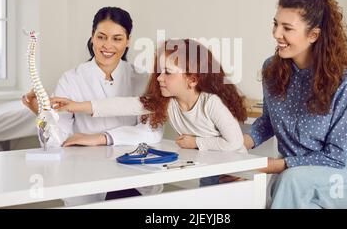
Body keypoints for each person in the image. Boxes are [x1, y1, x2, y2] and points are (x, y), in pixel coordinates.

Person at [51, 39, 248, 186]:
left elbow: (234, 142)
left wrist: (195, 143)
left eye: (168, 73)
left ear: (192, 79)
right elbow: (122, 105)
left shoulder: (211, 104)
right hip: (210, 168)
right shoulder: (168, 102)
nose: (160, 78)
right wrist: (75, 106)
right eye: (159, 71)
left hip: (237, 171)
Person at [243, 0, 347, 208]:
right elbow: (268, 122)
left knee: (290, 181)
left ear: (313, 35)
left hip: (341, 178)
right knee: (233, 178)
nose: (276, 34)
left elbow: (336, 157)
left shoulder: (345, 82)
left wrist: (278, 165)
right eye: (275, 24)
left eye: (287, 28)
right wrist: (237, 144)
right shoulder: (272, 69)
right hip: (294, 178)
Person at [22, 6, 163, 205]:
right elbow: (57, 141)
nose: (108, 45)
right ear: (92, 37)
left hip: (134, 177)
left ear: (128, 40)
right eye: (101, 37)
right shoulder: (71, 79)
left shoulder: (142, 79)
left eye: (117, 38)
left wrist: (101, 138)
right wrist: (42, 114)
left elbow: (153, 131)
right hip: (86, 177)